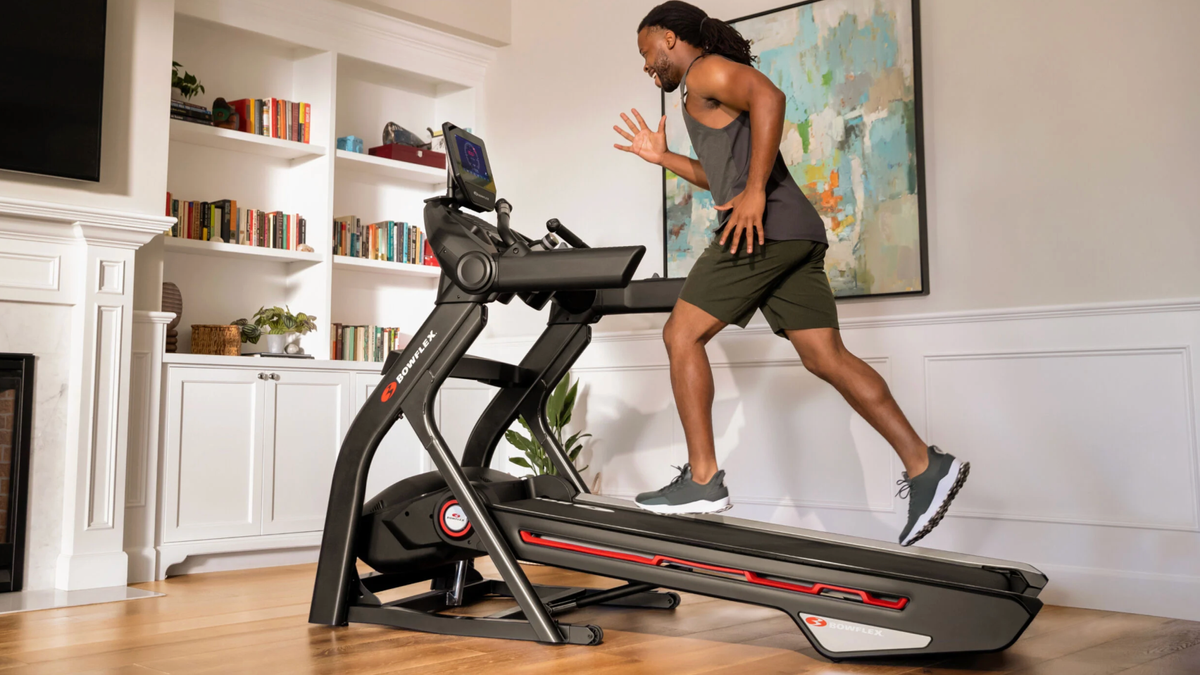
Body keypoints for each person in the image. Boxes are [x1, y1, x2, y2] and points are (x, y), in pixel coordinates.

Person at [612, 1, 967, 546]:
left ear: (667, 36)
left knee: (680, 334)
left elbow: (769, 97)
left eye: (646, 53)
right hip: (796, 230)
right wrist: (663, 158)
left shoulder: (705, 69)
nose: (645, 66)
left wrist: (755, 192)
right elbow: (719, 177)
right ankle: (926, 466)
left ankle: (703, 479)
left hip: (764, 229)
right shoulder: (699, 91)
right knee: (826, 356)